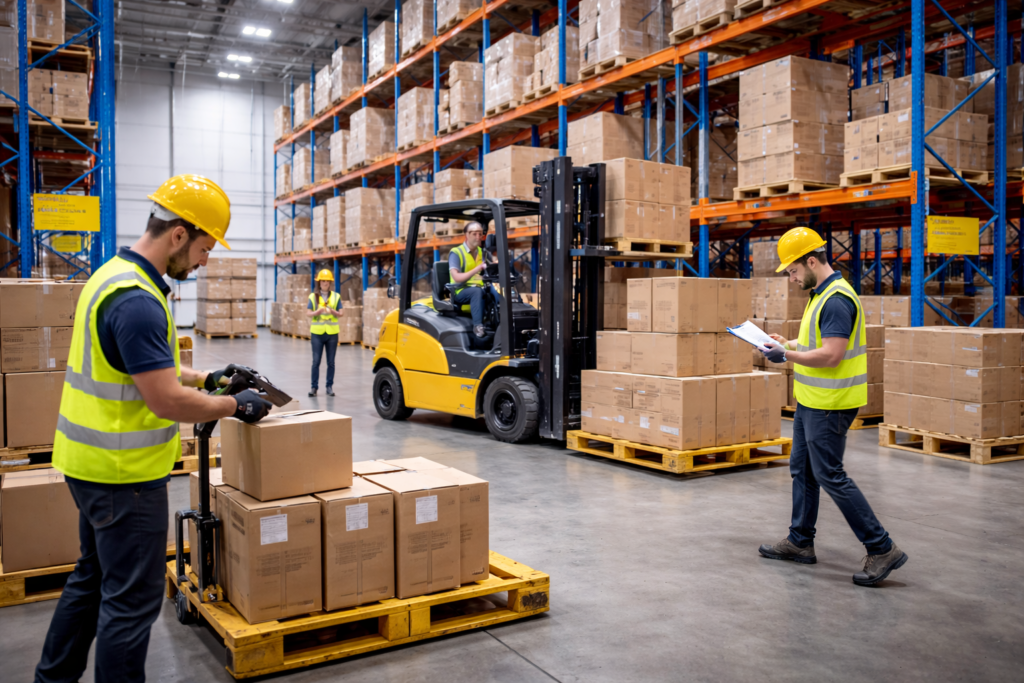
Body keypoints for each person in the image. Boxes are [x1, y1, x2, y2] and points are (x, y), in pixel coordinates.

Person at [35, 175, 274, 683]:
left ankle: (51, 679)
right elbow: (164, 399)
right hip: (124, 478)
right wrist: (234, 404)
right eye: (206, 248)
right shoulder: (139, 301)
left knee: (92, 580)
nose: (207, 261)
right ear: (180, 235)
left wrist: (209, 377)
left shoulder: (114, 276)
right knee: (131, 605)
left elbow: (149, 368)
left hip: (87, 467)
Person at [759, 226, 908, 587]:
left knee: (830, 475)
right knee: (803, 471)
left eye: (793, 271)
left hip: (832, 402)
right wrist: (788, 341)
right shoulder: (821, 294)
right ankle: (799, 541)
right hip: (812, 399)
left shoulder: (837, 299)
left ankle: (881, 546)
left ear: (812, 261)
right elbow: (818, 340)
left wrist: (786, 355)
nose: (792, 279)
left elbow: (831, 355)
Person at [449, 221, 495, 338]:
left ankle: (506, 320)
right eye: (474, 234)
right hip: (460, 290)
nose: (478, 237)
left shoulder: (483, 252)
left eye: (480, 234)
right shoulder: (456, 252)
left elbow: (490, 271)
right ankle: (478, 326)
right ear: (466, 235)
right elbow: (457, 278)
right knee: (476, 292)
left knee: (498, 289)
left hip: (480, 288)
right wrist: (477, 268)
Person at [307, 268, 343, 397]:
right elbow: (308, 313)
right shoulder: (313, 297)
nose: (325, 283)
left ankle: (329, 386)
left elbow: (341, 313)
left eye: (327, 281)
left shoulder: (336, 296)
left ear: (330, 282)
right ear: (319, 282)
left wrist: (333, 311)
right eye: (323, 280)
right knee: (316, 361)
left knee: (331, 362)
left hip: (332, 334)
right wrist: (317, 312)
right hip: (317, 333)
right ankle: (314, 387)